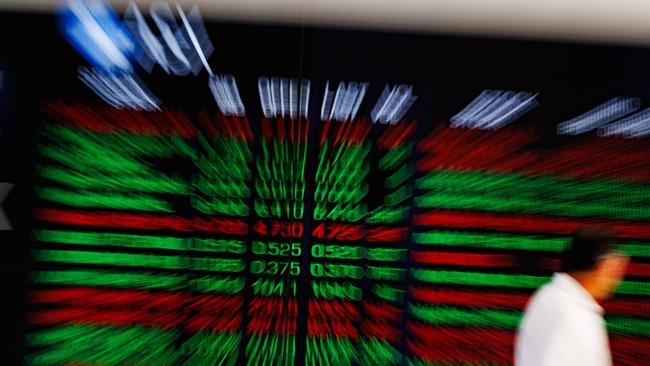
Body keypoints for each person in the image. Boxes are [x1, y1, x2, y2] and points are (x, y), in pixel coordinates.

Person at [515, 226, 629, 366]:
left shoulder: (547, 295)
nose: (617, 278)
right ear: (603, 266)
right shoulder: (575, 315)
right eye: (616, 268)